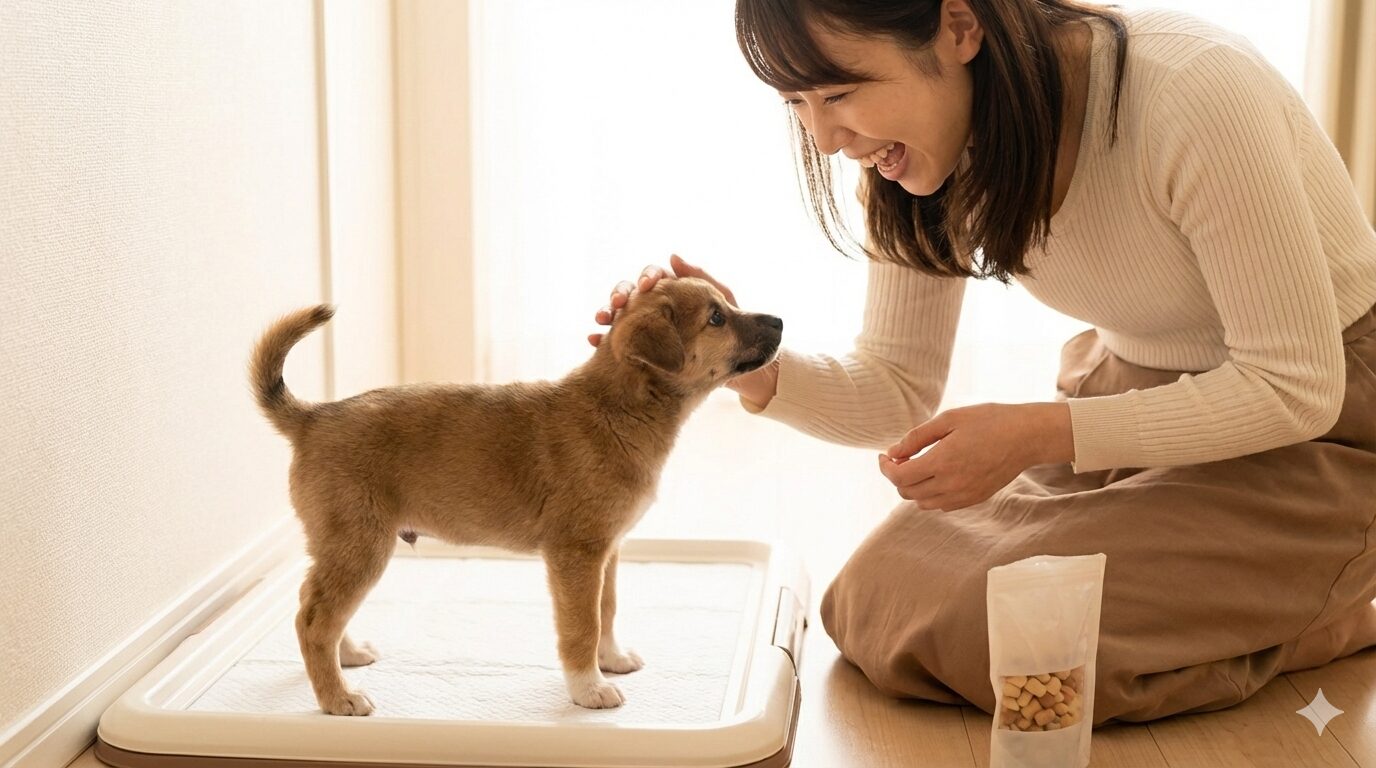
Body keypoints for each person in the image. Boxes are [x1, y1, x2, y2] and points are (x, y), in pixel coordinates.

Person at [588, 0, 1376, 723]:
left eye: (838, 94)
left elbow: (1294, 386)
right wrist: (738, 358)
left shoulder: (1192, 91)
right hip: (1137, 409)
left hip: (1323, 429)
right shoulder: (917, 156)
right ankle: (1287, 590)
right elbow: (894, 388)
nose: (825, 141)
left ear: (959, 27)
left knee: (1002, 636)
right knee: (875, 597)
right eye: (796, 104)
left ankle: (1339, 604)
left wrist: (1042, 434)